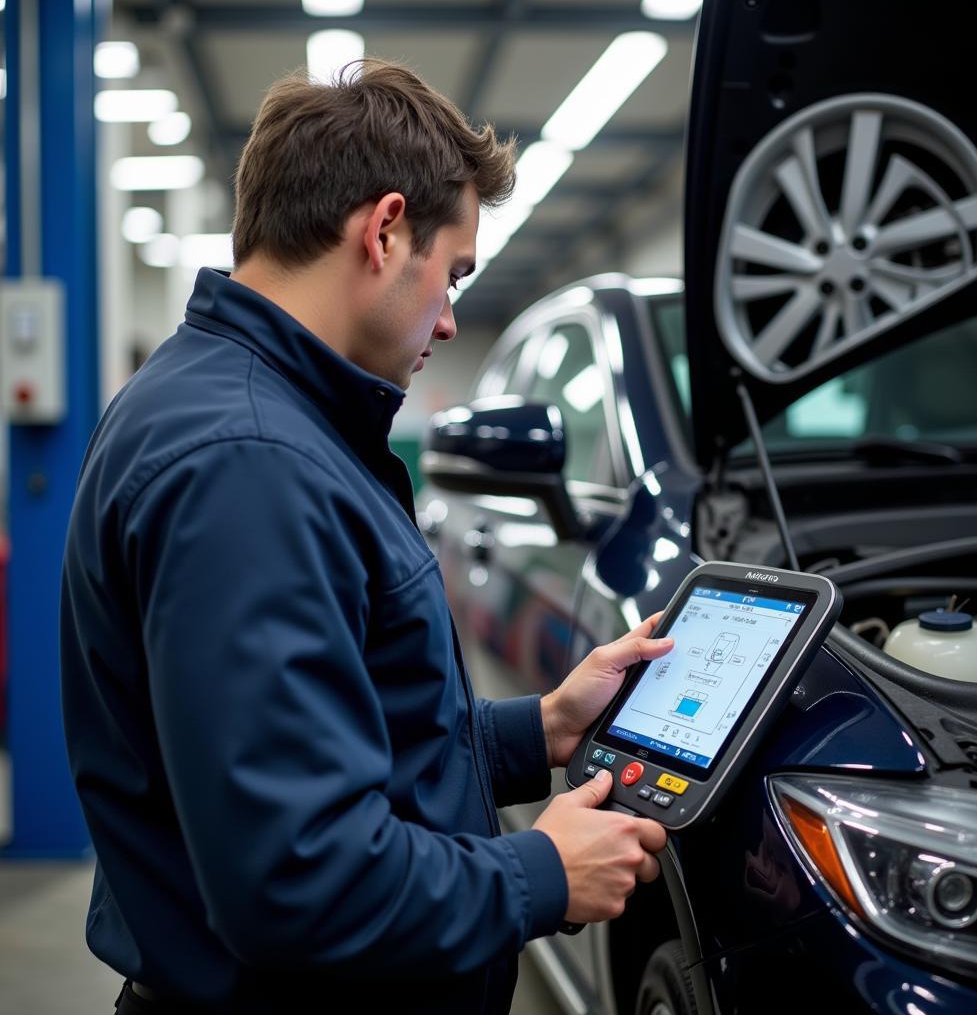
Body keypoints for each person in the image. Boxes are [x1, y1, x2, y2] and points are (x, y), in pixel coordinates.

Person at [60, 60, 672, 1015]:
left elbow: (344, 740)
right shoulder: (249, 462)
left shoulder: (237, 412)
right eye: (454, 272)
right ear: (385, 231)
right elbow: (295, 878)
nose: (451, 315)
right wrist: (540, 872)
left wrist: (541, 727)